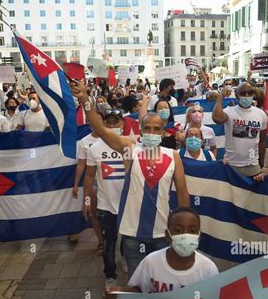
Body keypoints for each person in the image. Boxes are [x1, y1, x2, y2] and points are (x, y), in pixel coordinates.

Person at [70, 79, 190, 278]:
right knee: (138, 283)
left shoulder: (173, 156)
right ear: (140, 131)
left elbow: (183, 195)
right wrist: (84, 99)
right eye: (147, 129)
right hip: (132, 234)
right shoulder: (129, 150)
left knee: (161, 281)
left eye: (156, 129)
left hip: (162, 233)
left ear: (162, 132)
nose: (151, 133)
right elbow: (100, 129)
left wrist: (182, 230)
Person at [104, 207, 218, 299]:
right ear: (167, 235)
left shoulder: (208, 268)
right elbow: (140, 290)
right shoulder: (151, 262)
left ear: (199, 235)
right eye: (178, 230)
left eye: (192, 231)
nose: (185, 235)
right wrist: (118, 292)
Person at [84, 109, 128, 287]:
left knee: (127, 239)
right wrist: (86, 201)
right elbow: (88, 176)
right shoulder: (94, 148)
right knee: (108, 243)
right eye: (108, 122)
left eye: (115, 122)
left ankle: (125, 258)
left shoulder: (131, 145)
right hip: (105, 206)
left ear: (122, 124)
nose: (112, 126)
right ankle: (110, 275)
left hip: (128, 204)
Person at [212, 83, 267, 177]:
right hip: (232, 165)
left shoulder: (261, 114)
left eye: (250, 92)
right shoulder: (230, 111)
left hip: (252, 165)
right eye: (243, 93)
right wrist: (221, 96)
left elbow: (262, 141)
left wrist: (262, 164)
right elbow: (217, 118)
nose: (246, 96)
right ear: (237, 95)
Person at [72, 106, 104, 251]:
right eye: (92, 120)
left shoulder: (113, 138)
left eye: (98, 120)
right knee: (95, 214)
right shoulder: (84, 142)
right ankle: (101, 242)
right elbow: (81, 165)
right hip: (94, 185)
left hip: (112, 183)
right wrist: (76, 184)